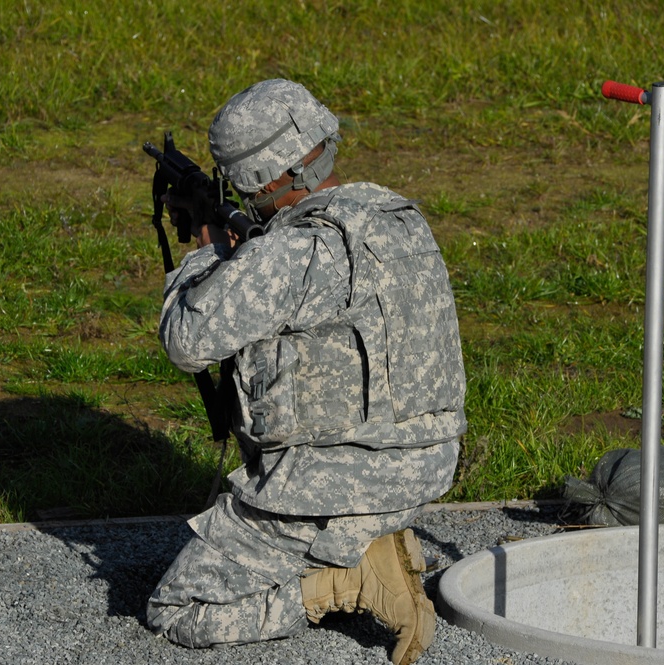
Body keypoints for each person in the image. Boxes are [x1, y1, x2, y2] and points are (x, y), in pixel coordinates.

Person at [146, 78, 467, 665]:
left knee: (180, 610)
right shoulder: (397, 215)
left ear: (259, 180)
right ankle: (369, 537)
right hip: (424, 463)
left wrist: (207, 249)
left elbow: (187, 340)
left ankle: (345, 580)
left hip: (335, 487)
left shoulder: (290, 253)